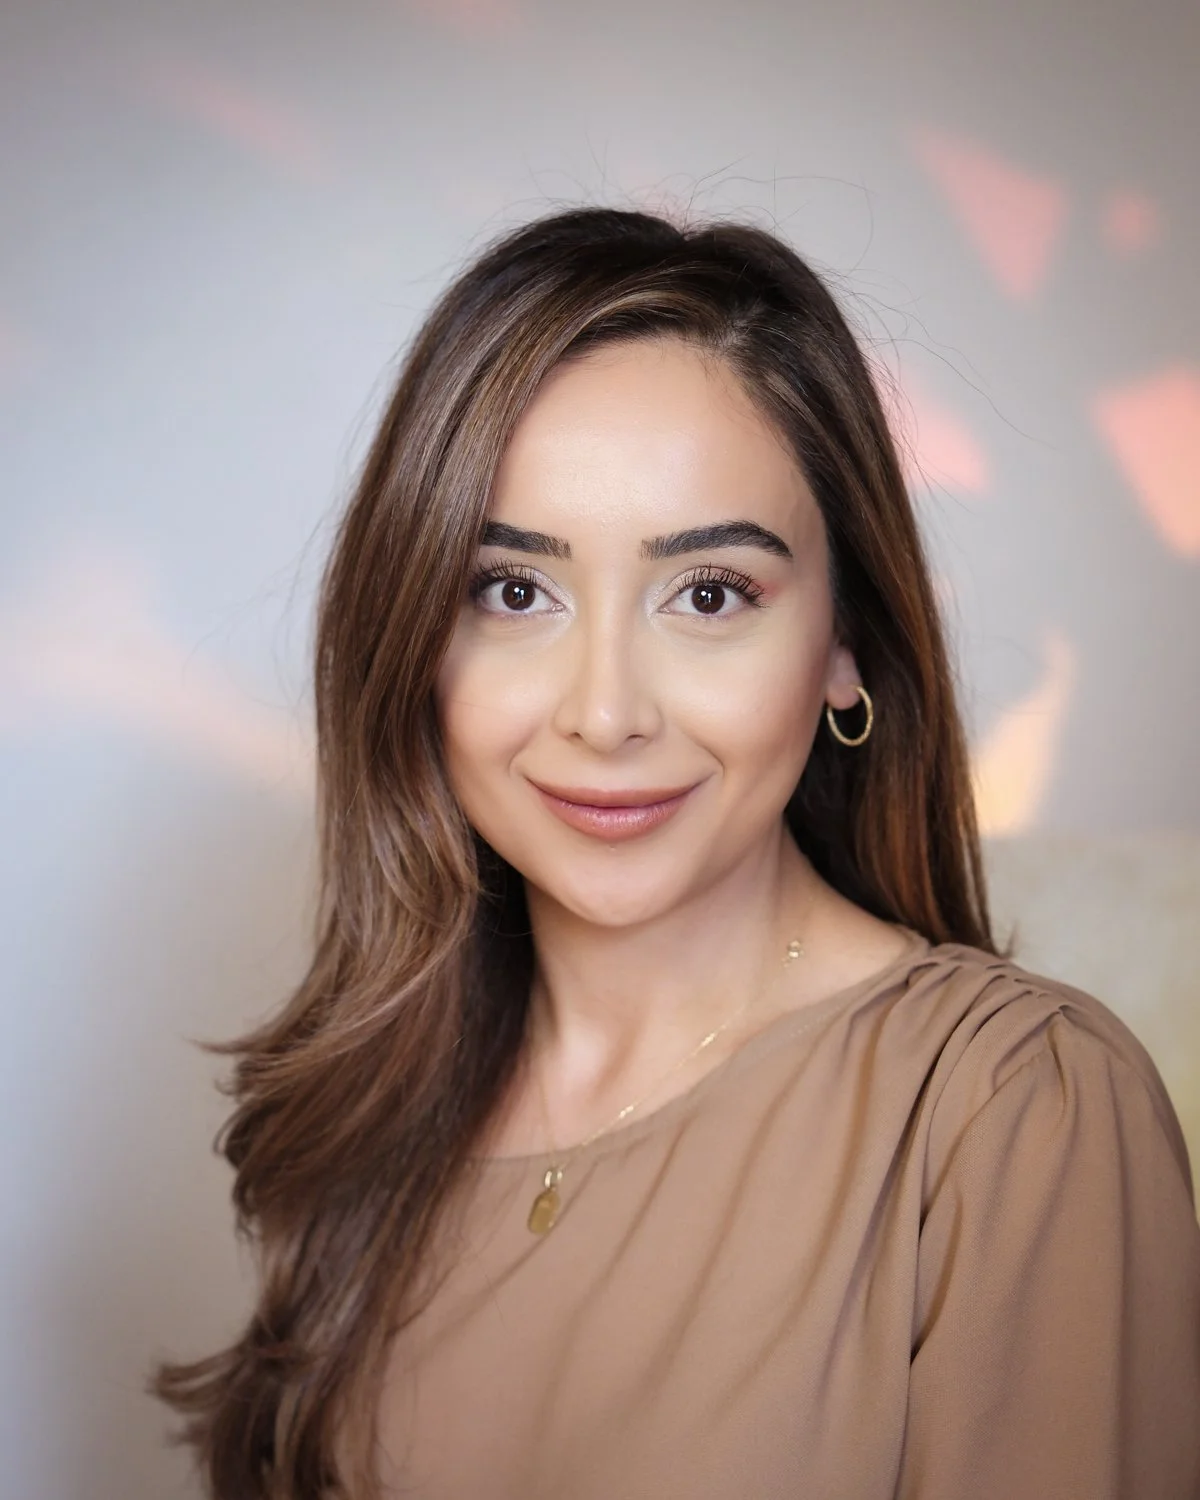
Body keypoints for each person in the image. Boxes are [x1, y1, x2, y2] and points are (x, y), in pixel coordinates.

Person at [150, 206, 1200, 1500]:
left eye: (708, 595)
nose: (604, 712)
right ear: (415, 637)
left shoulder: (1012, 1109)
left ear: (844, 645)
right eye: (513, 589)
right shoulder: (375, 1118)